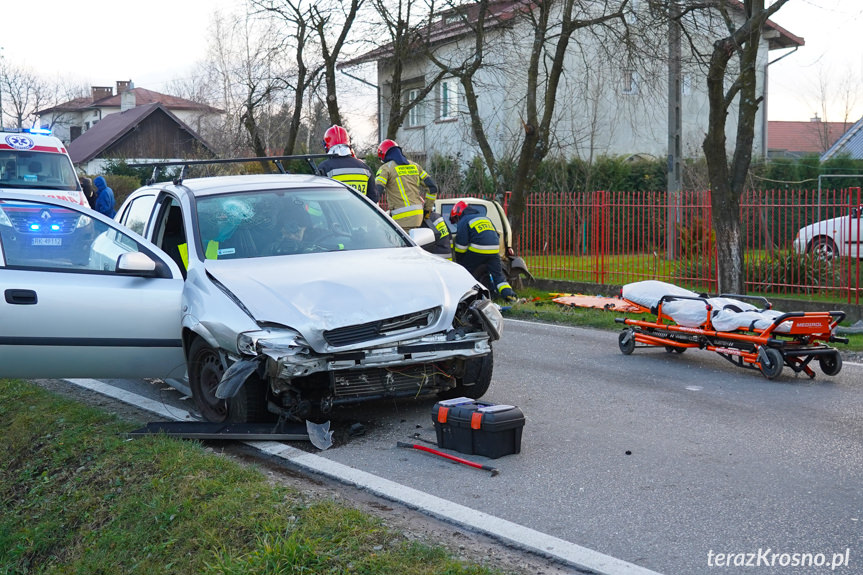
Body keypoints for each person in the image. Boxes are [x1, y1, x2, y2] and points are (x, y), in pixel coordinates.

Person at [450, 200, 517, 302]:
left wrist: (460, 262)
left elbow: (461, 246)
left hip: (477, 250)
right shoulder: (485, 218)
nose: (456, 221)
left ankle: (466, 298)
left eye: (455, 219)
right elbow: (495, 234)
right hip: (494, 250)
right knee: (498, 276)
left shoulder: (464, 220)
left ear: (459, 214)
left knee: (466, 273)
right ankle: (510, 296)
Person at [374, 139, 438, 231]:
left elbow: (377, 191)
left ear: (383, 155)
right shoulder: (415, 166)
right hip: (419, 216)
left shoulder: (385, 168)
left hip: (401, 218)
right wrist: (427, 210)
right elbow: (433, 188)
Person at [315, 125, 378, 202]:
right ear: (348, 143)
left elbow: (320, 198)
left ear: (326, 146)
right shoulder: (365, 168)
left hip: (335, 213)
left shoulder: (324, 167)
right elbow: (374, 199)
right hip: (361, 213)